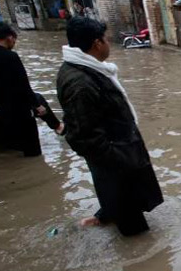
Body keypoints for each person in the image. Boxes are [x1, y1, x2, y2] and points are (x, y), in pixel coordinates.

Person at [57, 17, 163, 236]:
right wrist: (118, 160)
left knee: (127, 202)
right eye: (105, 39)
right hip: (116, 161)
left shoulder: (89, 70)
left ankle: (106, 215)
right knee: (135, 231)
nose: (108, 44)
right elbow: (82, 136)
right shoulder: (81, 83)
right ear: (97, 43)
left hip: (119, 154)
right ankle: (138, 262)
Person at [0, 22, 62, 157]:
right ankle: (58, 127)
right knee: (37, 100)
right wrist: (38, 106)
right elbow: (23, 85)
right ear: (10, 38)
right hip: (13, 109)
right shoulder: (11, 57)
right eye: (14, 39)